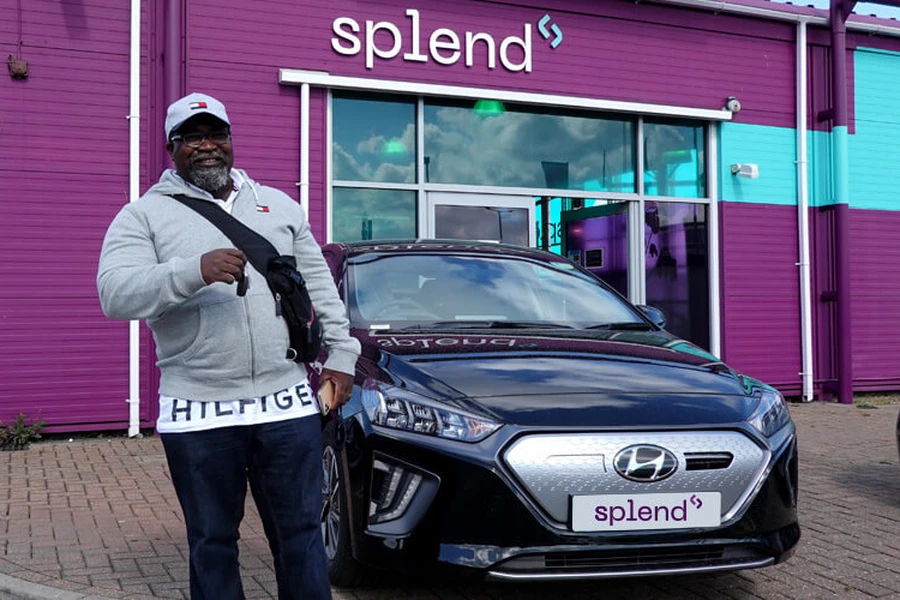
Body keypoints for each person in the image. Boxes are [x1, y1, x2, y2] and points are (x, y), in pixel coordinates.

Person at [97, 92, 360, 600]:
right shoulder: (143, 216)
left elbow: (319, 286)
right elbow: (114, 293)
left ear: (230, 140)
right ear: (172, 148)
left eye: (216, 134)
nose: (206, 146)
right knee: (213, 542)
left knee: (301, 535)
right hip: (199, 409)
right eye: (192, 138)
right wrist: (191, 271)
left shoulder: (278, 206)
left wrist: (343, 355)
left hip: (286, 403)